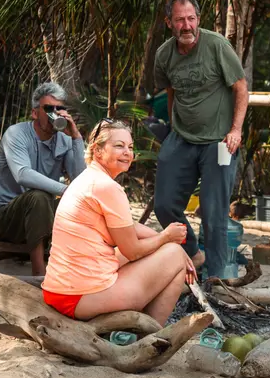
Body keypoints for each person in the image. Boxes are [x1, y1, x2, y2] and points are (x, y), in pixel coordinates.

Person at [41, 119, 196, 326]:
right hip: (78, 297)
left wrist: (166, 241)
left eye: (130, 147)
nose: (127, 153)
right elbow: (132, 251)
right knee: (175, 256)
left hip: (58, 291)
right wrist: (167, 238)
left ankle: (140, 326)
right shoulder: (107, 187)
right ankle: (150, 333)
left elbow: (128, 228)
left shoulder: (89, 178)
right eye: (119, 146)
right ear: (97, 150)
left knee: (169, 250)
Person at [153, 0, 248, 278]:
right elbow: (170, 91)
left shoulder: (216, 45)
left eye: (191, 19)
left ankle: (217, 277)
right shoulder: (164, 54)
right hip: (182, 137)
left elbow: (241, 88)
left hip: (219, 141)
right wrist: (171, 128)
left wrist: (235, 131)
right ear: (169, 22)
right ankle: (194, 252)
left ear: (198, 20)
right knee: (164, 204)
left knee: (213, 209)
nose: (186, 26)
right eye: (180, 20)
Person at [0, 82, 86, 275]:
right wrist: (66, 190)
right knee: (39, 197)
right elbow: (22, 174)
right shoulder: (16, 134)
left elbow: (79, 179)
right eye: (49, 109)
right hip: (5, 218)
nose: (55, 114)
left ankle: (76, 269)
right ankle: (39, 273)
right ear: (35, 113)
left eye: (60, 109)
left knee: (83, 202)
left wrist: (76, 138)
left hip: (41, 217)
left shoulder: (64, 139)